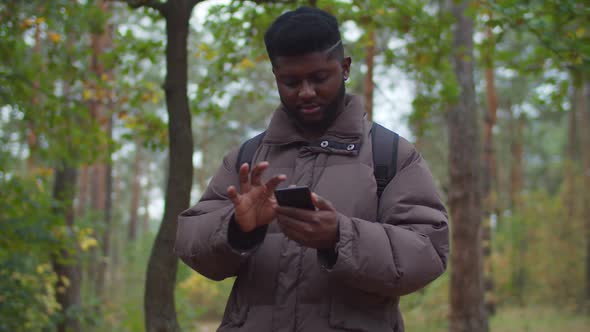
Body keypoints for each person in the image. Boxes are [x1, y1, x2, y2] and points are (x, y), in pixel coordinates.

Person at [174, 6, 449, 332]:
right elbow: (190, 241)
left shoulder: (390, 155)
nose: (306, 92)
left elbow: (427, 251)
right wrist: (237, 229)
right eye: (291, 81)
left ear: (344, 68)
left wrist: (339, 236)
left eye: (319, 78)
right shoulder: (247, 157)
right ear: (275, 76)